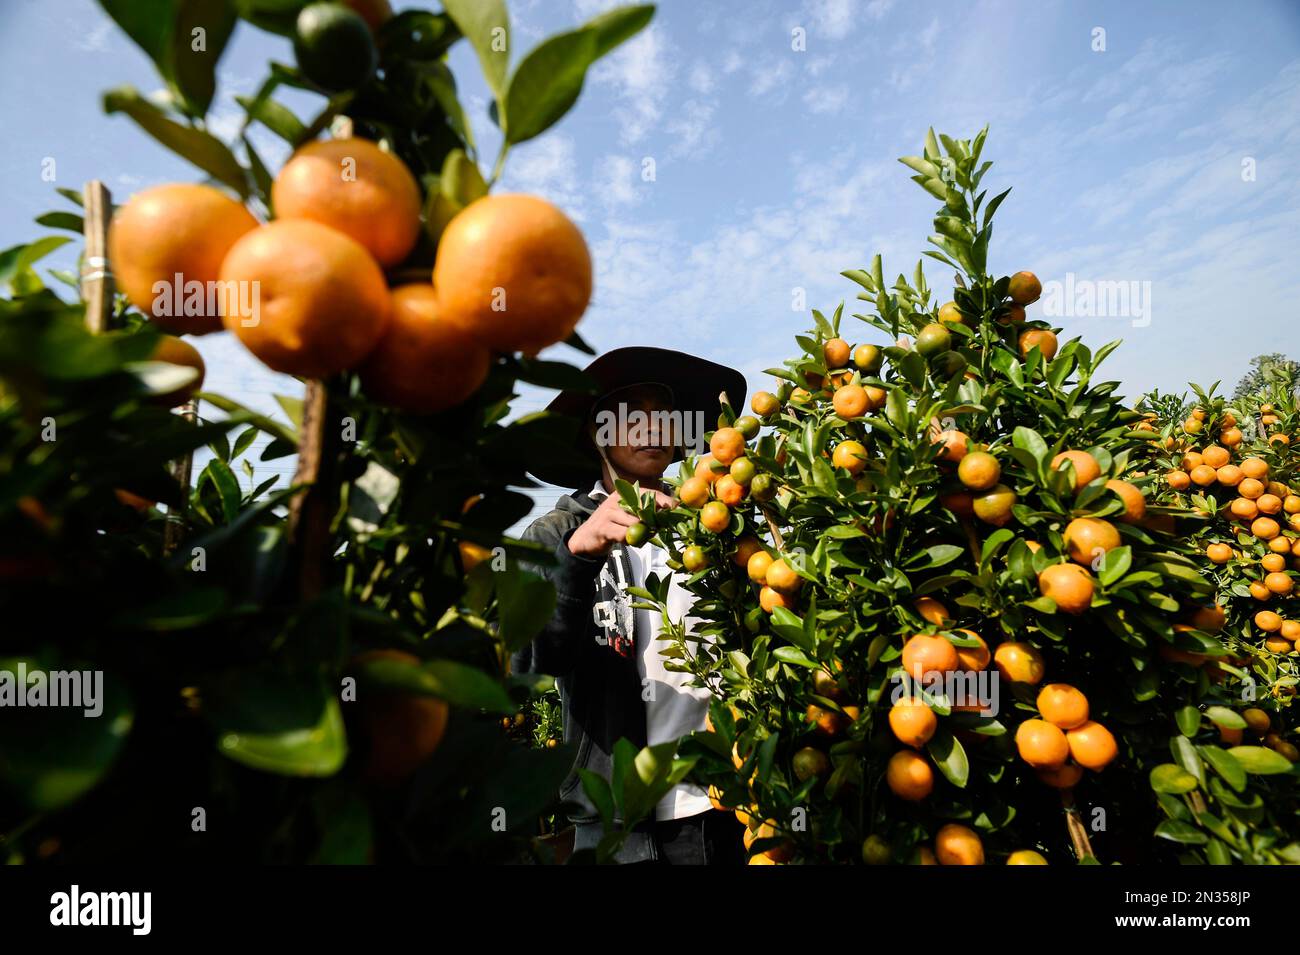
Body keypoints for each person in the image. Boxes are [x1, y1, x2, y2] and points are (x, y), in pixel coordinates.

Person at [514, 346, 748, 864]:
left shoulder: (711, 526)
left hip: (728, 804)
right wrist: (576, 557)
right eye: (632, 415)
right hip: (620, 823)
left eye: (664, 415)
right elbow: (530, 659)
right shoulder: (556, 533)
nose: (653, 428)